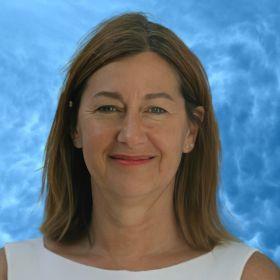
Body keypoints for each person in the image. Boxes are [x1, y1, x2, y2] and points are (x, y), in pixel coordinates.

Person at [1, 11, 279, 280]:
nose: (130, 135)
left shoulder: (248, 275)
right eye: (108, 108)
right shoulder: (11, 271)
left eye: (155, 110)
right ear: (75, 127)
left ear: (191, 131)